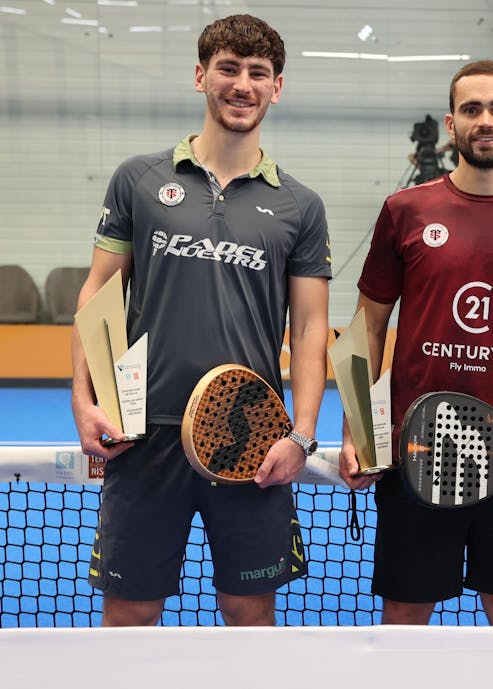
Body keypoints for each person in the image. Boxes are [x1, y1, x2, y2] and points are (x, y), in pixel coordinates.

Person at [71, 14, 330, 626]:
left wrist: (301, 435)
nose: (243, 85)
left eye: (258, 73)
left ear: (277, 87)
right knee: (130, 613)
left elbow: (312, 328)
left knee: (248, 611)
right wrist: (83, 400)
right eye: (228, 69)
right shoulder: (139, 180)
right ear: (200, 76)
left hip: (250, 438)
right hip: (141, 434)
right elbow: (97, 293)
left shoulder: (300, 205)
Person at [338, 60, 493, 626]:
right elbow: (368, 324)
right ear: (451, 124)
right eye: (472, 109)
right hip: (416, 452)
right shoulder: (405, 211)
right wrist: (357, 426)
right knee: (405, 615)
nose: (485, 120)